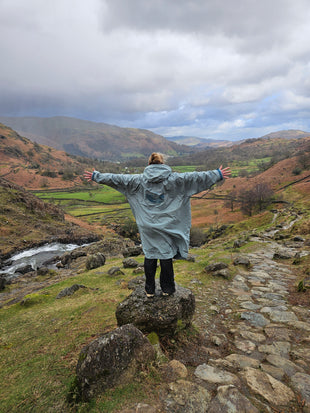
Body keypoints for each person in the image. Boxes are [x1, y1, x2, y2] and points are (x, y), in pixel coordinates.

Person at [84, 153, 231, 298]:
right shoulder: (176, 179)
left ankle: (149, 290)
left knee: (150, 254)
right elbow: (196, 177)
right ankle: (167, 288)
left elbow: (116, 179)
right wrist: (217, 174)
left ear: (149, 165)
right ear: (163, 164)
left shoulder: (137, 180)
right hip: (168, 224)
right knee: (165, 255)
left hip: (147, 225)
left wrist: (96, 176)